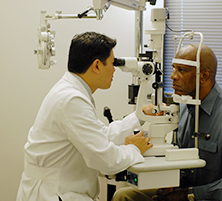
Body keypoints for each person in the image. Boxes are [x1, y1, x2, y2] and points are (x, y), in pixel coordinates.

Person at [112, 44, 222, 201]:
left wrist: (190, 195)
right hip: (191, 191)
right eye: (173, 68)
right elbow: (185, 164)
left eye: (182, 70)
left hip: (220, 197)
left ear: (204, 76)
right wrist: (172, 181)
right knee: (124, 195)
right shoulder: (186, 107)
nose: (173, 76)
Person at [16, 32, 156, 201]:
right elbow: (106, 161)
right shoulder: (71, 100)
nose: (114, 69)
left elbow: (101, 135)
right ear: (97, 66)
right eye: (112, 63)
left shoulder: (72, 91)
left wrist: (139, 115)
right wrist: (134, 149)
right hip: (54, 193)